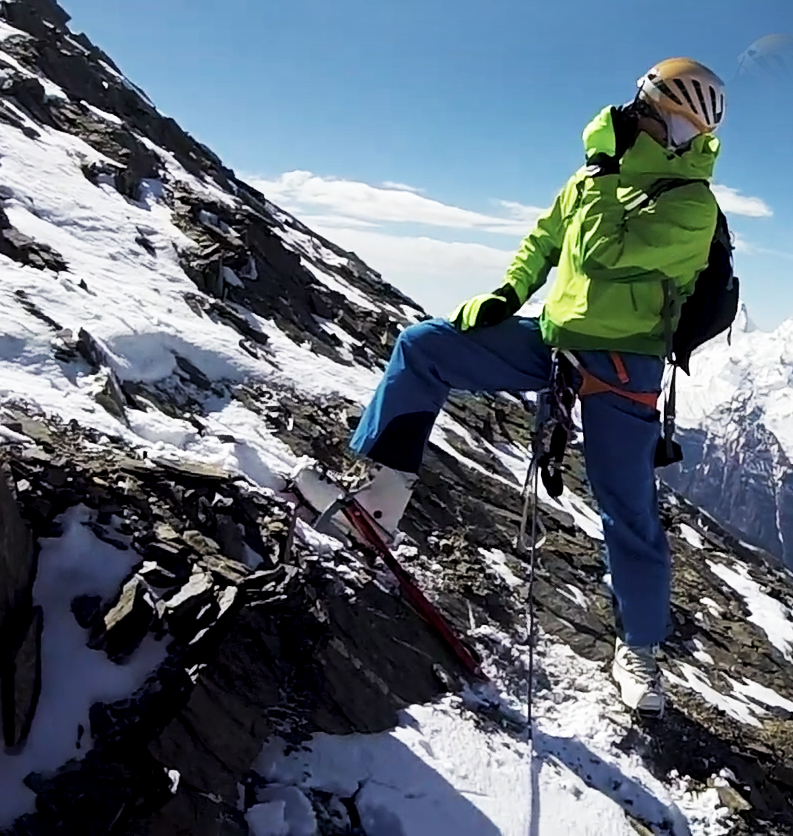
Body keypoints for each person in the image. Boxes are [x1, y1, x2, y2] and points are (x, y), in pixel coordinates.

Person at [291, 57, 727, 714]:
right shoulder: (596, 179)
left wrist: (607, 171)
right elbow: (548, 240)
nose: (662, 130)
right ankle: (376, 499)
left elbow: (609, 251)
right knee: (423, 347)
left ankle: (639, 651)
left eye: (674, 123)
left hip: (624, 365)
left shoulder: (692, 204)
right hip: (554, 342)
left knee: (627, 512)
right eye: (659, 115)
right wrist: (507, 292)